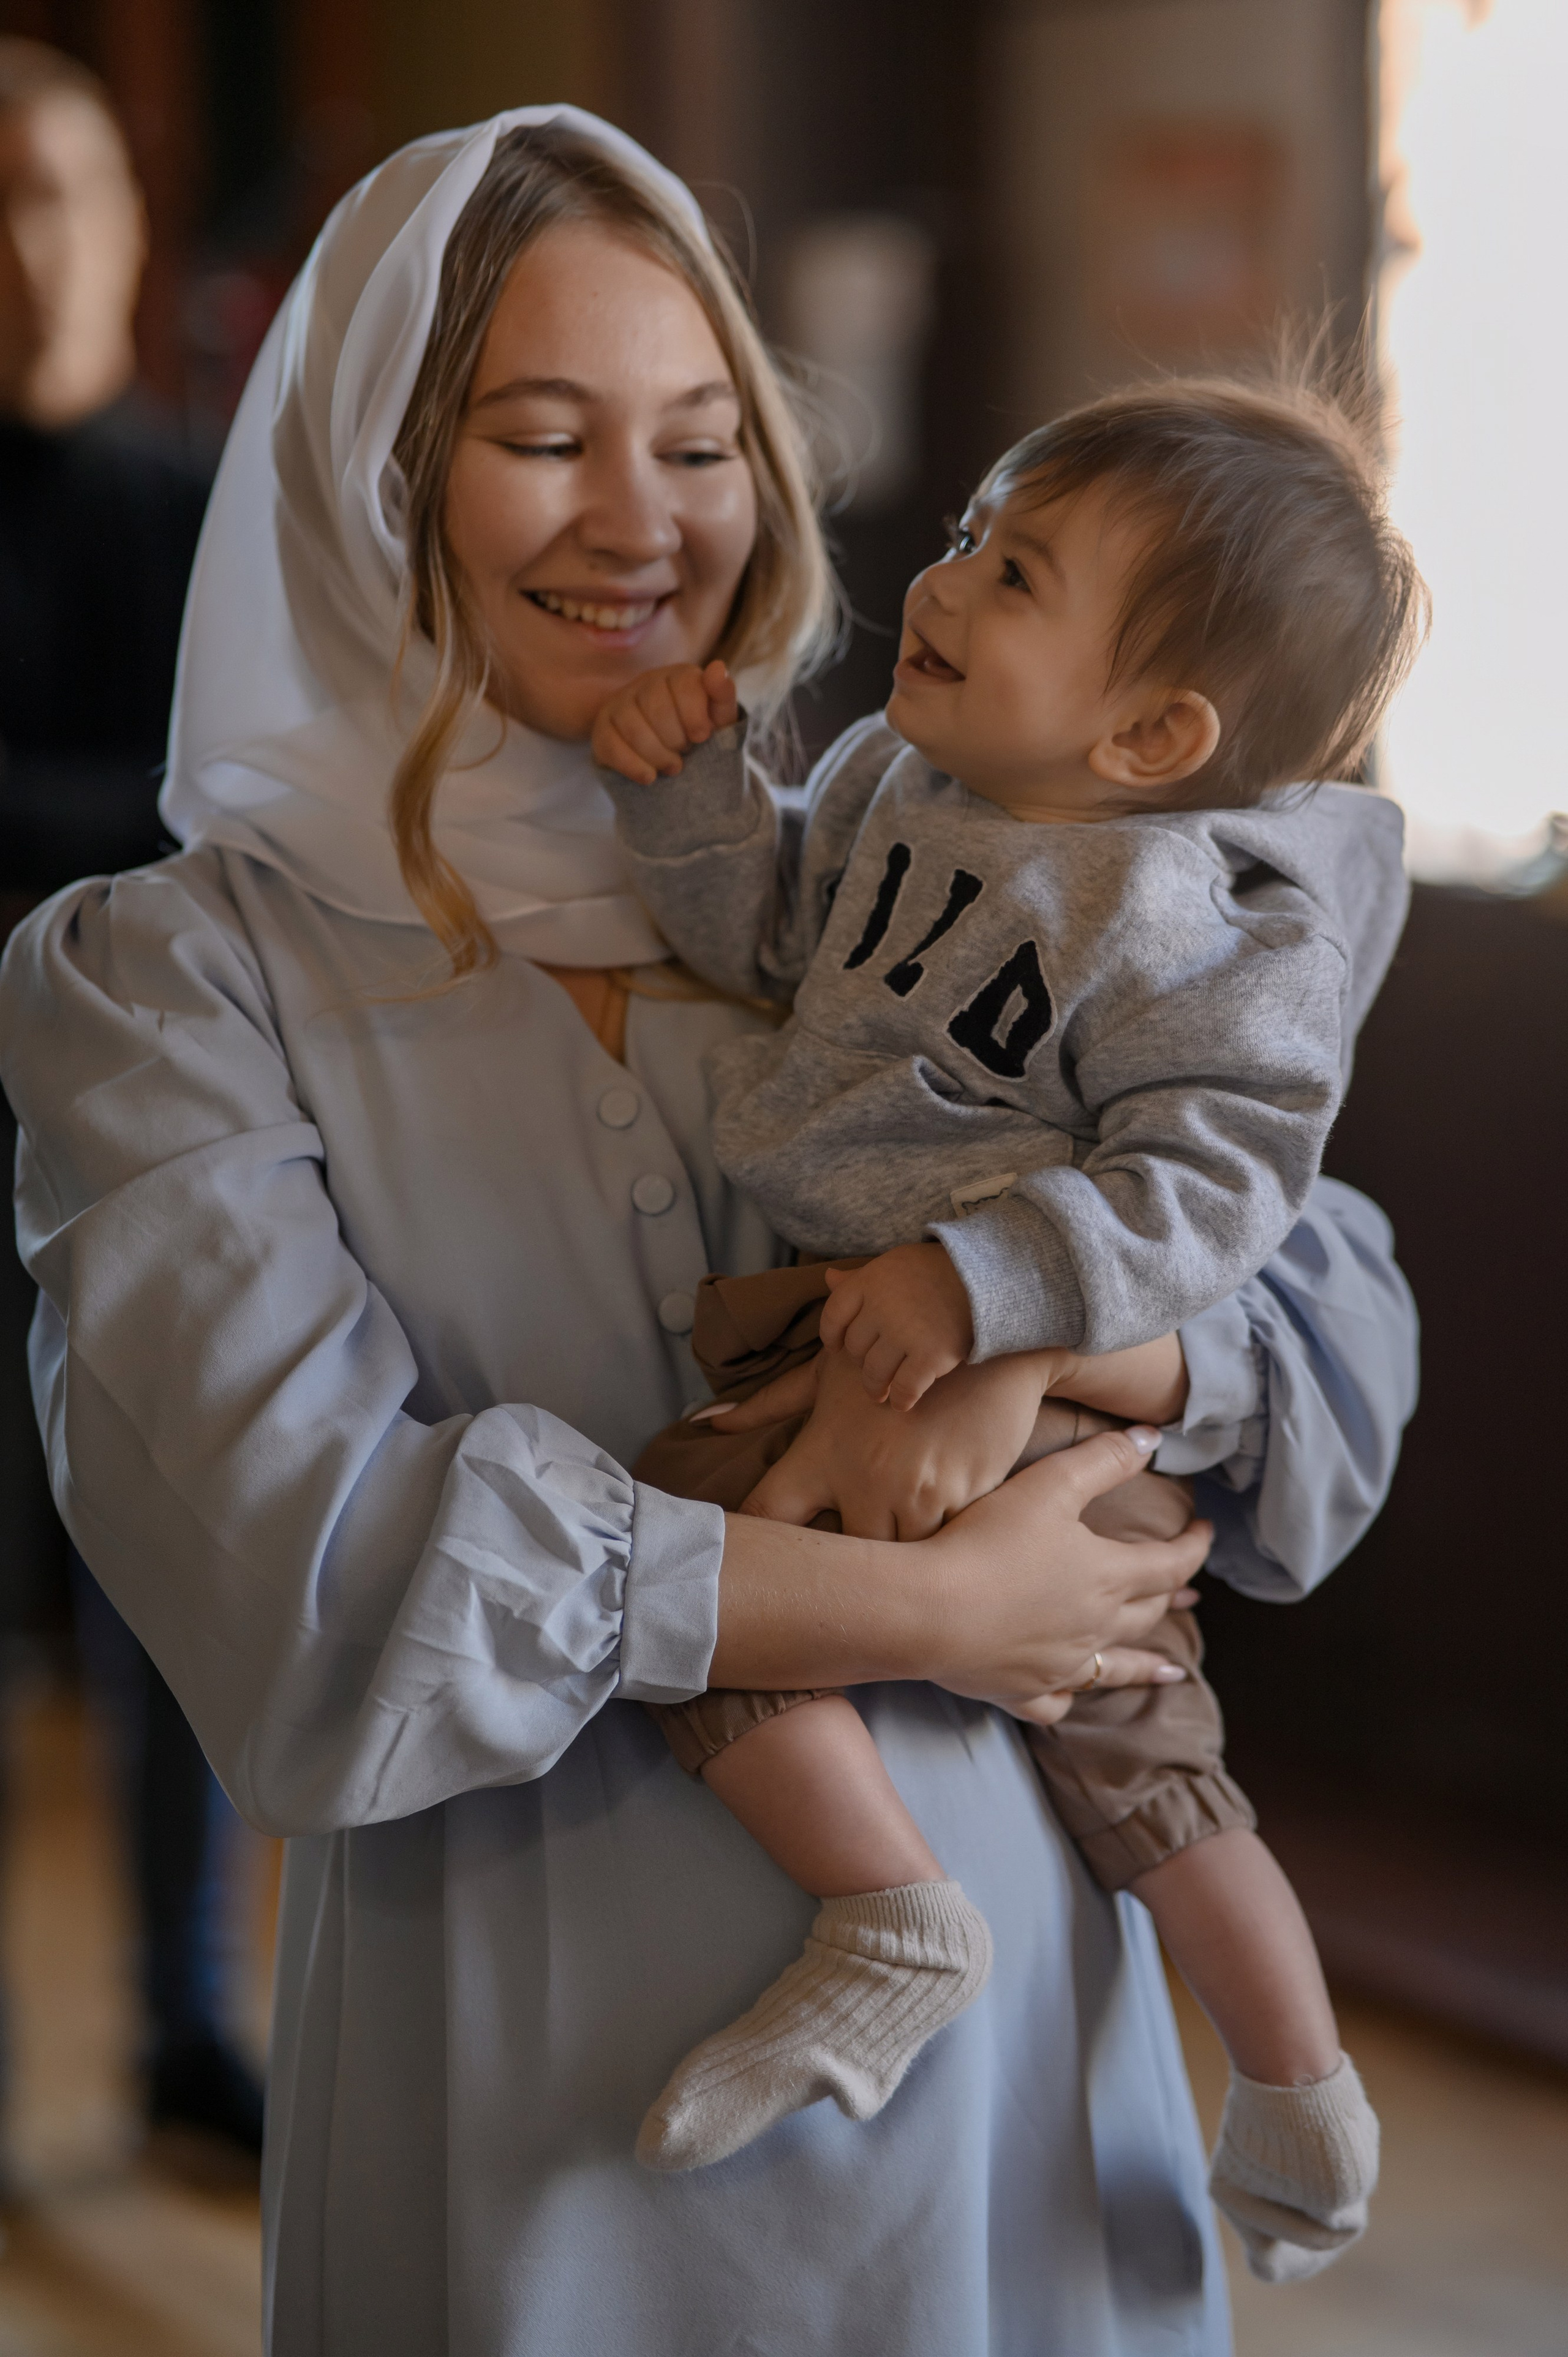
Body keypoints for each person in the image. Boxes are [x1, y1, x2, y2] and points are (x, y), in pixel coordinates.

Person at [0, 108, 1416, 2355]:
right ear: (373, 473)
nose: (643, 522)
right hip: (538, 2097)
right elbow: (313, 1566)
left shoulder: (900, 853)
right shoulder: (173, 981)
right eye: (542, 439)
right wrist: (942, 1606)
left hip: (1031, 2086)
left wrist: (1059, 1351)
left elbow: (1338, 1327)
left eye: (699, 442)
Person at [592, 378, 1423, 2280]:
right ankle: (1259, 2069)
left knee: (710, 1560)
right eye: (972, 532)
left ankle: (1220, 2047)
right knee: (1130, 1742)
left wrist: (995, 1302)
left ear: (1153, 734)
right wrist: (690, 797)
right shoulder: (896, 785)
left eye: (1018, 570)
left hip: (1020, 1366)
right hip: (861, 1338)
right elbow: (778, 946)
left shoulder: (1202, 921)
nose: (947, 581)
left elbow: (1218, 1190)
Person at [0, 37, 262, 2162]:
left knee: (177, 1619)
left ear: (122, 223)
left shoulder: (208, 510)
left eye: (53, 191)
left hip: (168, 1166)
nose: (22, 243)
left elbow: (240, 835)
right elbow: (169, 837)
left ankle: (186, 2032)